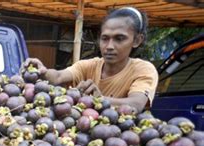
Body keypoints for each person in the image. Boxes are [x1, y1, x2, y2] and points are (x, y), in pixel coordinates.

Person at [23, 6, 159, 114]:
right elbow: (58, 76)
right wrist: (43, 71)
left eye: (119, 38)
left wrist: (99, 100)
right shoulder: (88, 65)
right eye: (105, 38)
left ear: (136, 40)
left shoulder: (143, 69)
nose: (109, 46)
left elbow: (136, 104)